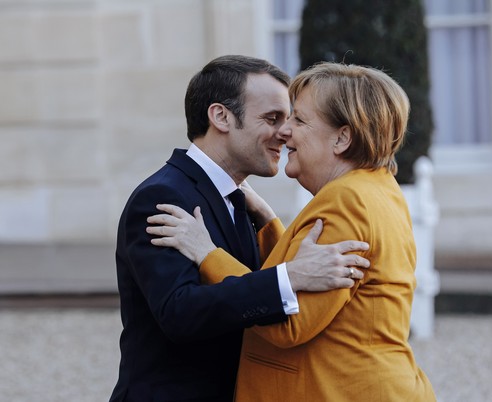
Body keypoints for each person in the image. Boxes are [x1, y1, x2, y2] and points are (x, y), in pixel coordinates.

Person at [147, 62, 437, 401]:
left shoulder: (346, 200)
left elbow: (289, 321)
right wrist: (271, 225)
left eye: (298, 119)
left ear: (342, 138)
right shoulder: (376, 187)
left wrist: (205, 253)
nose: (285, 132)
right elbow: (307, 272)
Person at [109, 55, 371, 402]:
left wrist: (270, 225)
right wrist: (290, 277)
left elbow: (246, 283)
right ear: (221, 117)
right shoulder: (163, 196)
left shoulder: (240, 199)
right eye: (272, 118)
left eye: (290, 119)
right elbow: (179, 314)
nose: (287, 132)